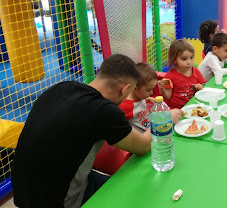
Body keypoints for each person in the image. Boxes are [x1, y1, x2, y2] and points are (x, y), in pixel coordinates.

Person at [12, 54, 154, 207]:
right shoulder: (104, 110)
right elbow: (144, 146)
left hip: (22, 190)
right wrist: (161, 118)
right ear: (125, 89)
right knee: (137, 193)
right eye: (130, 91)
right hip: (55, 200)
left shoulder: (62, 88)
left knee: (121, 181)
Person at [119, 62, 184, 134]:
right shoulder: (125, 106)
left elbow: (137, 102)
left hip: (150, 128)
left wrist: (148, 99)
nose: (152, 93)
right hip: (143, 138)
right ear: (134, 87)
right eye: (148, 90)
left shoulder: (139, 96)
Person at [158, 39, 206, 109]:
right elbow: (167, 97)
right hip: (177, 109)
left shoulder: (195, 71)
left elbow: (203, 85)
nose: (189, 62)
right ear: (174, 60)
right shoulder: (170, 76)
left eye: (191, 57)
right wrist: (162, 89)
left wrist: (200, 87)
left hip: (193, 106)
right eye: (184, 59)